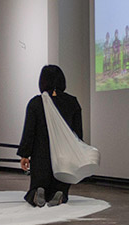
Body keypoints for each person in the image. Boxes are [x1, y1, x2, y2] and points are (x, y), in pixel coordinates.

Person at [17, 64, 82, 207]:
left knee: (40, 176)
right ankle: (60, 192)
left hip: (41, 152)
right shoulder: (72, 102)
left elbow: (29, 131)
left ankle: (38, 191)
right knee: (62, 176)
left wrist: (24, 155)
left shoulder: (36, 102)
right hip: (64, 152)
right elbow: (78, 132)